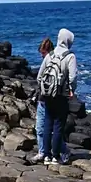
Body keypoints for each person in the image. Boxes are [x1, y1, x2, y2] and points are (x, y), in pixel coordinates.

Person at [35, 29, 77, 164]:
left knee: (47, 125)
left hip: (48, 96)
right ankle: (55, 156)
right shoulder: (70, 56)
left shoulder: (50, 55)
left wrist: (45, 89)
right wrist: (71, 91)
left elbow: (39, 76)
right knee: (58, 126)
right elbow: (73, 77)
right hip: (61, 95)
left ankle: (46, 155)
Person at [33, 37, 54, 160]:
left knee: (43, 127)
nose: (41, 56)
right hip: (48, 98)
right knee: (45, 127)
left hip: (46, 99)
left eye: (43, 53)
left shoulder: (49, 60)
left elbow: (39, 78)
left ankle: (44, 152)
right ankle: (44, 151)